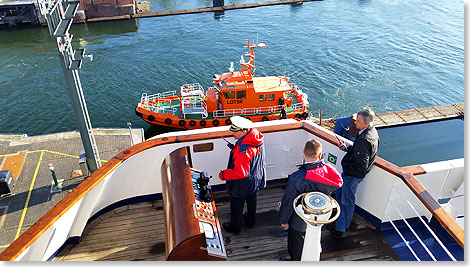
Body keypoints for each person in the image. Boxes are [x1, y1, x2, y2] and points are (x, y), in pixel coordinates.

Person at [277, 139, 343, 261]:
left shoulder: (297, 178)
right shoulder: (329, 171)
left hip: (299, 219)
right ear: (320, 154)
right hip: (319, 217)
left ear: (303, 152)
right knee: (312, 241)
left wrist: (283, 219)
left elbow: (289, 201)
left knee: (296, 246)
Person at [332, 108, 379, 239]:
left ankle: (341, 229)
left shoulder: (365, 139)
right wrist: (347, 148)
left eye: (358, 121)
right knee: (344, 198)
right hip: (352, 175)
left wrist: (347, 170)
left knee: (345, 201)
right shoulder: (371, 132)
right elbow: (360, 151)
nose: (355, 122)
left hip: (351, 176)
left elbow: (362, 165)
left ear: (366, 123)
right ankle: (342, 224)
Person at [219, 116, 266, 234]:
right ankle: (251, 220)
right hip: (255, 176)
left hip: (242, 183)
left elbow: (240, 173)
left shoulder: (242, 151)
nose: (232, 133)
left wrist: (223, 174)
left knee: (236, 204)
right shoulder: (257, 137)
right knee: (251, 199)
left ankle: (235, 227)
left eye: (235, 131)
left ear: (244, 131)